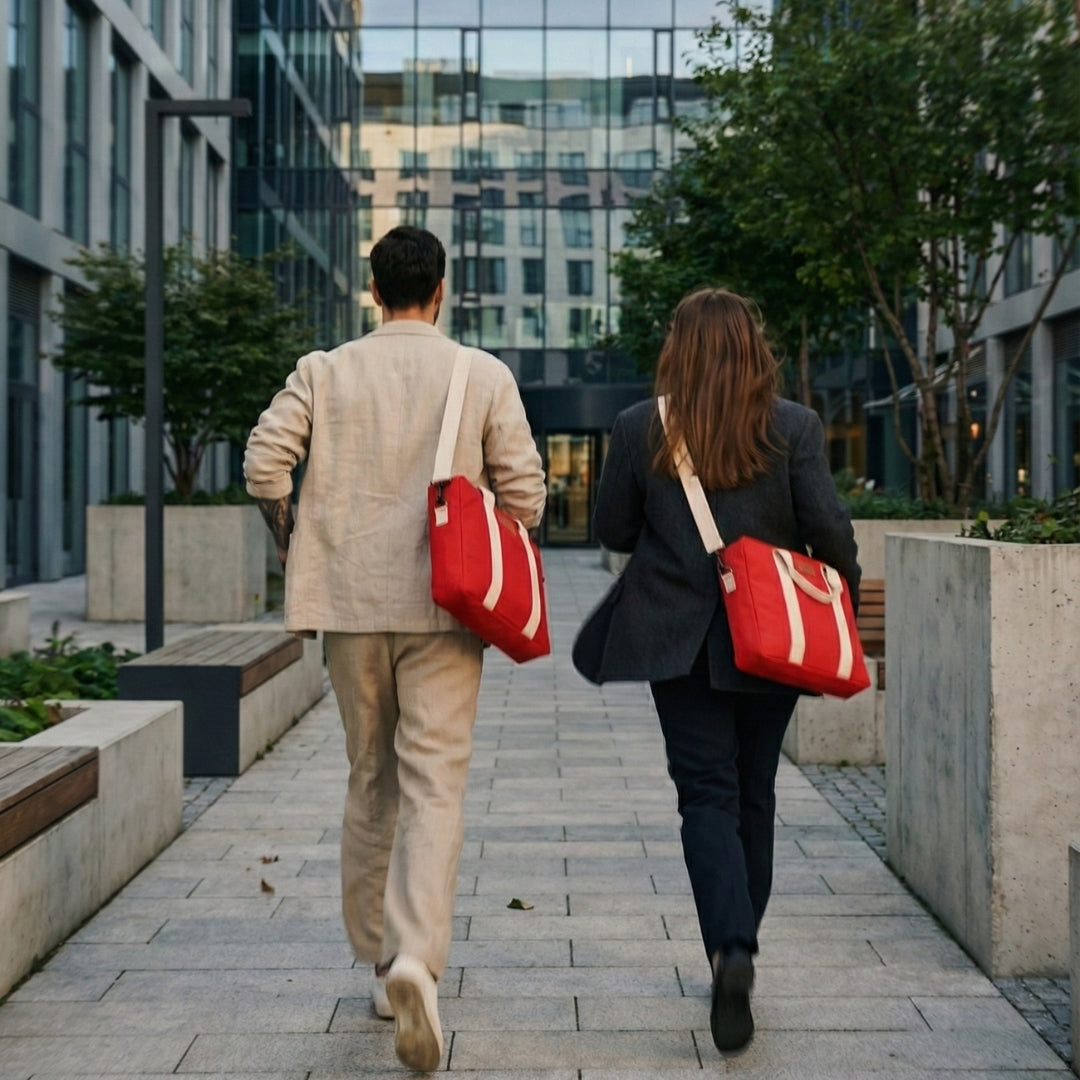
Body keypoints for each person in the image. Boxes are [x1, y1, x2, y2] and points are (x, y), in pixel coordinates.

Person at [243, 226, 546, 1072]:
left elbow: (264, 466)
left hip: (348, 606)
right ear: (440, 290)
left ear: (373, 290)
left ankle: (380, 964)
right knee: (434, 780)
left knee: (369, 775)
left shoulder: (324, 370)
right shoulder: (481, 375)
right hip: (446, 609)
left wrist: (294, 537)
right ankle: (418, 956)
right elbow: (524, 495)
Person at [579, 287, 860, 1054]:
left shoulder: (643, 427)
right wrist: (841, 585)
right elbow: (828, 527)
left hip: (679, 641)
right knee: (755, 794)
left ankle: (728, 945)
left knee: (706, 794)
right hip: (771, 637)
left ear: (678, 348)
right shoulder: (794, 426)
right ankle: (739, 950)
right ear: (753, 345)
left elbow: (611, 529)